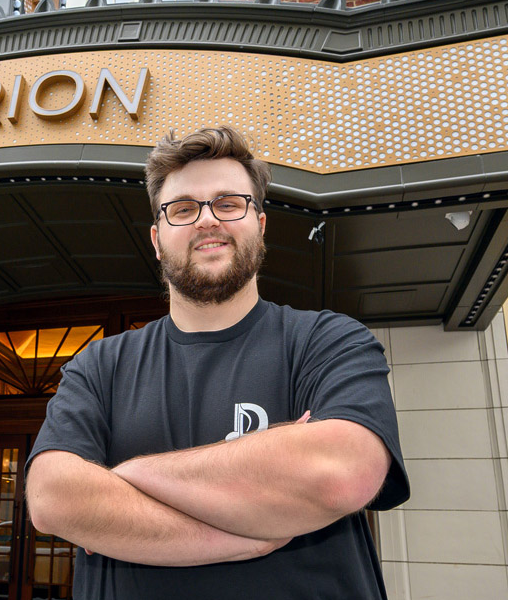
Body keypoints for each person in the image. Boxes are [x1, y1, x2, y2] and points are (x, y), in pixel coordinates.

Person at [24, 126, 410, 598]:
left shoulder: (327, 340)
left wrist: (122, 479)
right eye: (183, 209)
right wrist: (239, 536)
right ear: (156, 239)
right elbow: (52, 498)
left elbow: (339, 474)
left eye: (228, 203)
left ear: (260, 224)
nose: (207, 220)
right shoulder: (100, 364)